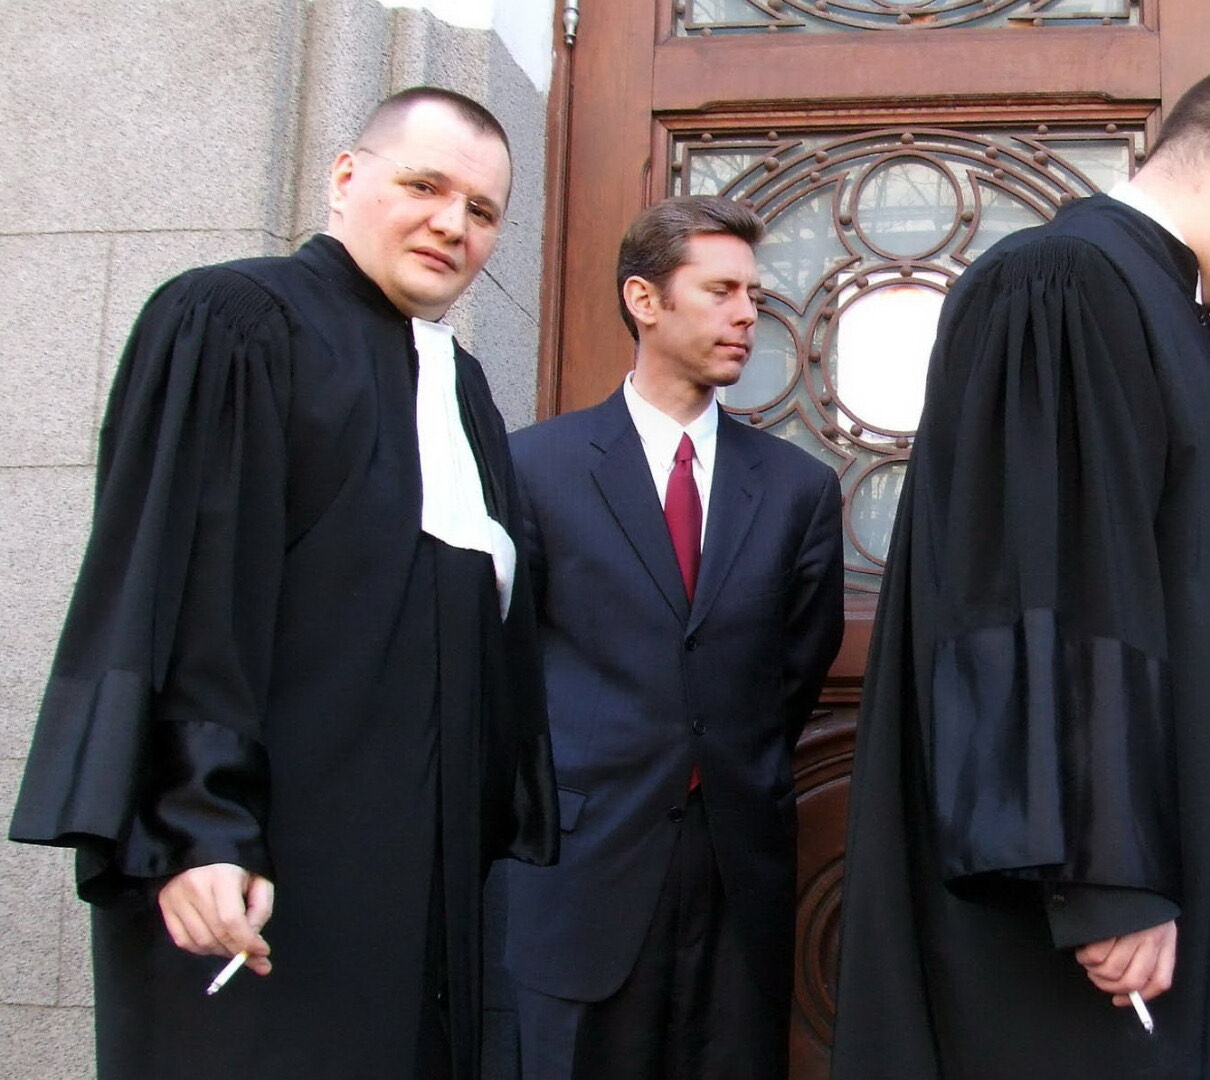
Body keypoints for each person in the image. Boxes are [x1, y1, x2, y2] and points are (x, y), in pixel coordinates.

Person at [7, 87, 557, 1080]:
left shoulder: (465, 388)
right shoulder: (236, 320)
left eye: (482, 210)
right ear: (345, 177)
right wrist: (198, 829)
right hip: (254, 879)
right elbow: (186, 595)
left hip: (415, 906)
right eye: (424, 186)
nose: (452, 224)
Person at [831, 54, 1210, 1079]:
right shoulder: (1066, 285)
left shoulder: (1188, 322)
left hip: (1194, 885)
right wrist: (1108, 878)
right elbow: (1046, 591)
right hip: (1102, 921)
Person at [502, 195, 844, 1079]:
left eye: (753, 295)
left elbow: (795, 668)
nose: (747, 314)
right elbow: (506, 666)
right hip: (579, 869)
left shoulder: (798, 489)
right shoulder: (535, 468)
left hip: (738, 870)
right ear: (645, 299)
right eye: (720, 290)